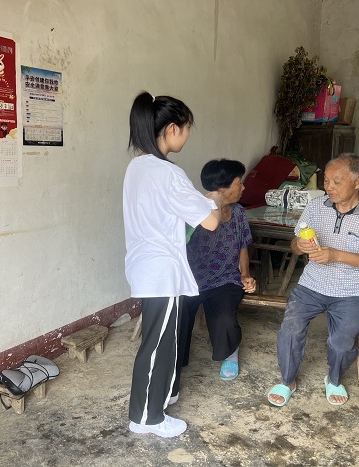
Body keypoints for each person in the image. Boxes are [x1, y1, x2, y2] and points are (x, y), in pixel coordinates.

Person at [123, 91, 223, 438]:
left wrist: (198, 200)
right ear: (171, 129)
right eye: (187, 127)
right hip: (161, 271)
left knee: (165, 340)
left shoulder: (137, 166)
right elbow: (211, 222)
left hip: (146, 265)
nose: (188, 134)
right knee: (156, 344)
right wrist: (214, 199)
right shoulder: (168, 173)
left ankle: (163, 395)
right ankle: (145, 418)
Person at [267, 154, 359, 407]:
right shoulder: (316, 207)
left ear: (358, 182)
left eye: (337, 181)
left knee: (341, 343)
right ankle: (288, 380)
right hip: (312, 285)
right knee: (290, 329)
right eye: (326, 180)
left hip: (353, 291)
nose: (329, 187)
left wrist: (336, 255)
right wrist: (300, 245)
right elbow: (294, 246)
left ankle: (334, 379)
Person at [171, 159, 256, 401]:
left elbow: (242, 246)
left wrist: (245, 274)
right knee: (179, 319)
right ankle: (173, 366)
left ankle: (230, 353)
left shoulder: (238, 213)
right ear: (222, 189)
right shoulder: (194, 211)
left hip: (225, 279)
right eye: (239, 183)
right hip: (190, 280)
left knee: (224, 318)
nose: (243, 187)